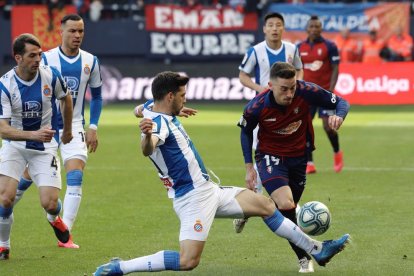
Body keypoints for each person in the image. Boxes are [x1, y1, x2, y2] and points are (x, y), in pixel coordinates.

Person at [93, 71, 350, 275]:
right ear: (170, 96)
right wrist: (147, 135)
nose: (186, 99)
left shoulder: (152, 108)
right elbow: (148, 150)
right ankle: (121, 267)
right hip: (192, 199)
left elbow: (140, 109)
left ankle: (317, 249)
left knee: (265, 205)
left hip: (208, 190)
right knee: (188, 260)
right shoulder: (157, 124)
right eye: (182, 95)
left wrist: (159, 111)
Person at [238, 62, 350, 273]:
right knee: (286, 203)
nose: (289, 94)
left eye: (292, 88)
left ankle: (248, 208)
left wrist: (339, 115)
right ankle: (307, 255)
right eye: (284, 89)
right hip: (270, 157)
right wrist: (248, 167)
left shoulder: (306, 91)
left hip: (299, 159)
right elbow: (245, 132)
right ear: (270, 85)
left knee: (285, 211)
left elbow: (341, 102)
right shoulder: (257, 105)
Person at [13, 14, 103, 248]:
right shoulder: (46, 59)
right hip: (46, 127)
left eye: (81, 31)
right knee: (24, 179)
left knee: (75, 176)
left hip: (74, 126)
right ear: (61, 32)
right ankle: (5, 210)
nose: (77, 36)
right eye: (72, 31)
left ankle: (66, 233)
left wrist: (93, 126)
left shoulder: (91, 61)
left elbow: (97, 96)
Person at [0, 33, 73, 260]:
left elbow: (66, 99)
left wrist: (68, 129)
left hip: (45, 147)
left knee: (49, 203)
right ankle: (3, 245)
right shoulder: (5, 84)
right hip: (14, 146)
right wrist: (32, 134)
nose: (38, 60)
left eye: (40, 55)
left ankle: (54, 219)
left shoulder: (51, 76)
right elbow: (2, 128)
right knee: (5, 198)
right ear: (18, 58)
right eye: (32, 56)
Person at [238, 12, 303, 194]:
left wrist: (296, 86)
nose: (275, 28)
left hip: (288, 108)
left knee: (288, 147)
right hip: (264, 108)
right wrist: (261, 89)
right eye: (271, 25)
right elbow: (243, 76)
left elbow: (299, 69)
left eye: (278, 25)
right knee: (261, 150)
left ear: (283, 28)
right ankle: (253, 198)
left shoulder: (292, 49)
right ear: (264, 29)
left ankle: (286, 197)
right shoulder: (255, 51)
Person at [297, 15, 343, 175]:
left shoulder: (329, 46)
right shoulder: (299, 47)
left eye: (317, 27)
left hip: (324, 92)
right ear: (307, 29)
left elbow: (336, 68)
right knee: (304, 128)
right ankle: (310, 162)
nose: (314, 29)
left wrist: (330, 90)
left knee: (328, 127)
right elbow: (297, 69)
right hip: (306, 93)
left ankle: (337, 152)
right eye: (312, 26)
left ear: (321, 29)